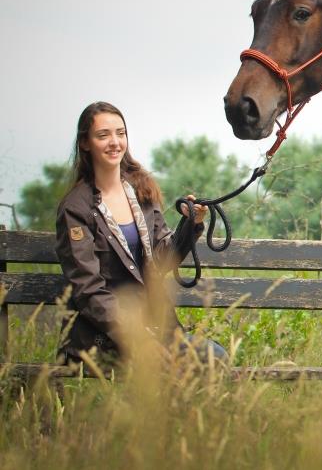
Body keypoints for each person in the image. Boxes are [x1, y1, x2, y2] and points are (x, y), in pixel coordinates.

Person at [55, 101, 226, 365]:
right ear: (85, 143)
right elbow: (88, 290)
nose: (114, 142)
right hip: (103, 337)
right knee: (170, 366)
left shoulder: (142, 191)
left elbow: (162, 258)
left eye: (120, 133)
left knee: (216, 357)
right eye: (103, 135)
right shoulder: (75, 209)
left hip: (156, 329)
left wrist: (190, 225)